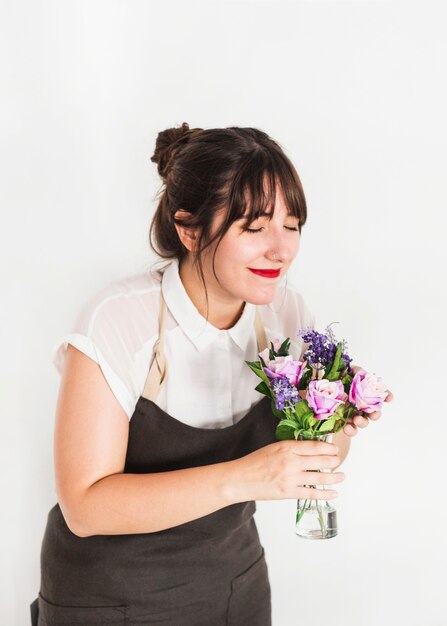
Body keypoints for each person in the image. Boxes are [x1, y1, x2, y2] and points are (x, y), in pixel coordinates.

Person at [30, 123, 393, 626]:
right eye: (254, 226)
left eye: (292, 225)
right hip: (110, 598)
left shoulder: (285, 314)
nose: (281, 249)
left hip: (234, 584)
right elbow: (86, 507)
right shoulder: (119, 318)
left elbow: (310, 459)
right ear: (189, 229)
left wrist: (334, 426)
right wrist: (246, 477)